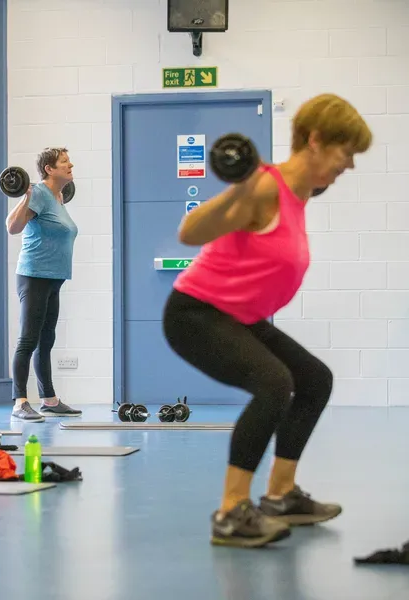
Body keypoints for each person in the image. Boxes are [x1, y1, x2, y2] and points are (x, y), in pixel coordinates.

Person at [162, 94, 372, 548]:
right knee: (274, 383)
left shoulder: (304, 189)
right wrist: (238, 186)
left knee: (313, 379)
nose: (350, 165)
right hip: (196, 313)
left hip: (241, 317)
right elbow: (188, 233)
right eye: (346, 153)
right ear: (315, 141)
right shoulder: (262, 187)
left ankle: (280, 495)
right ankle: (232, 511)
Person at [5, 147, 82, 422]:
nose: (70, 164)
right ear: (50, 169)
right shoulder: (38, 193)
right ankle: (20, 402)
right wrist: (26, 196)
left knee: (46, 339)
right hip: (34, 275)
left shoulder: (59, 196)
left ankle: (48, 399)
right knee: (28, 338)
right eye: (64, 162)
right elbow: (12, 227)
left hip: (53, 277)